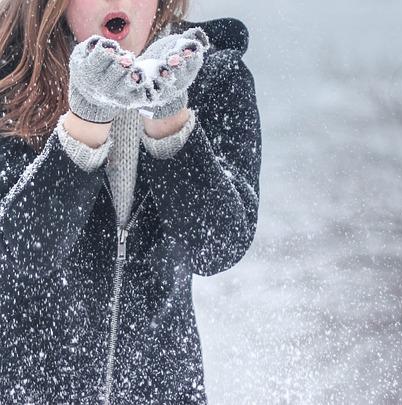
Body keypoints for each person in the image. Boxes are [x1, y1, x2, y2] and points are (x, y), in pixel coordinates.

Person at [0, 0, 261, 403]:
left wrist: (169, 118)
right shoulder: (10, 79)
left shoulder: (213, 78)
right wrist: (86, 118)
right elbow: (20, 252)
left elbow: (217, 246)